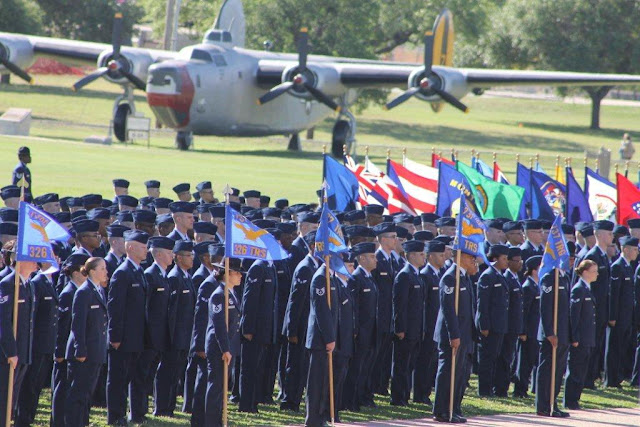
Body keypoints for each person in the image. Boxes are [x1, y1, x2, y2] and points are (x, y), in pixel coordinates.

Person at [106, 230, 149, 425]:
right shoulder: (122, 273)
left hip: (137, 336)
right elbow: (115, 307)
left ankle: (133, 413)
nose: (146, 250)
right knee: (118, 378)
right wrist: (115, 336)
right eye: (142, 247)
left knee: (132, 376)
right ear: (130, 247)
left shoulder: (138, 271)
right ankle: (116, 416)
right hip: (123, 337)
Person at [433, 249, 478, 423]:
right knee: (448, 373)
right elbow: (448, 309)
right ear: (460, 257)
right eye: (471, 257)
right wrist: (454, 334)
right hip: (452, 335)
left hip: (464, 334)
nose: (474, 261)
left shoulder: (464, 277)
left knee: (460, 374)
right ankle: (442, 410)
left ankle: (454, 408)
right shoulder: (450, 278)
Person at [65, 257, 109, 427]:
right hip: (84, 353)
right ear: (92, 271)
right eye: (102, 268)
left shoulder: (99, 290)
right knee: (77, 395)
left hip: (96, 350)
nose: (106, 272)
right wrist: (80, 350)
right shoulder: (84, 292)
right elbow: (78, 324)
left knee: (86, 395)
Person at [16, 259, 60, 426]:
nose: (57, 259)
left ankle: (28, 419)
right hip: (37, 344)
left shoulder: (49, 281)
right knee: (30, 386)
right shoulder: (38, 282)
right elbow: (33, 317)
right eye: (52, 256)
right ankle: (23, 421)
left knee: (37, 386)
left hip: (47, 343)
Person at [281, 233, 318, 412]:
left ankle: (295, 399)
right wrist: (292, 330)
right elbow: (296, 301)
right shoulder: (305, 267)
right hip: (299, 326)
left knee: (303, 365)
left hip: (308, 326)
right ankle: (289, 401)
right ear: (312, 246)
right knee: (295, 365)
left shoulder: (316, 266)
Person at [157, 241, 196, 416]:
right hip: (175, 336)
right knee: (168, 371)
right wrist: (170, 337)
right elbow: (171, 311)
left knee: (176, 373)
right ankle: (162, 407)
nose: (192, 258)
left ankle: (169, 407)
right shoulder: (174, 277)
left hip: (185, 335)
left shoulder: (186, 276)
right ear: (178, 258)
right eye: (188, 255)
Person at [51, 253, 90, 427]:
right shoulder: (69, 293)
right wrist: (59, 352)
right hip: (66, 352)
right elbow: (62, 326)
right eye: (84, 270)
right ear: (75, 272)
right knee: (62, 389)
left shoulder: (81, 291)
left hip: (73, 349)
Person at [0, 244, 37, 425]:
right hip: (10, 354)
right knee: (4, 401)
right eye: (31, 258)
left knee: (12, 400)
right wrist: (11, 351)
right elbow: (3, 321)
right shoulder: (8, 284)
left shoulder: (28, 284)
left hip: (23, 351)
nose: (36, 262)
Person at [205, 257, 243, 427]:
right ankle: (211, 422)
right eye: (237, 272)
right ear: (227, 273)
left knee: (222, 388)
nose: (240, 276)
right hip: (219, 348)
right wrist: (225, 349)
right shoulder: (219, 295)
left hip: (228, 346)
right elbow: (219, 324)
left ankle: (218, 421)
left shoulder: (231, 292)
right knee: (216, 387)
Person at [191, 244, 224, 426]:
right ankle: (198, 420)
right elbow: (201, 317)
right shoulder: (209, 284)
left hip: (218, 343)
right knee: (204, 383)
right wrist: (199, 345)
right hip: (206, 343)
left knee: (215, 384)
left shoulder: (221, 284)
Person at [343, 242, 378, 411]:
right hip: (360, 332)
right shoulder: (356, 278)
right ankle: (350, 401)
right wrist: (355, 330)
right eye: (372, 256)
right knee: (356, 367)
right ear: (362, 259)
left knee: (365, 367)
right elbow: (354, 307)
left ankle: (359, 398)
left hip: (370, 331)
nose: (375, 259)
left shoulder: (368, 277)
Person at [390, 240, 426, 406]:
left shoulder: (416, 274)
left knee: (409, 364)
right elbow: (399, 304)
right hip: (406, 330)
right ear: (411, 256)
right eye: (420, 254)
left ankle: (405, 395)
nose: (424, 257)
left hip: (415, 328)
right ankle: (398, 397)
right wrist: (400, 328)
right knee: (401, 365)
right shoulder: (404, 275)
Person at [535, 259, 571, 418]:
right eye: (569, 258)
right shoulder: (550, 277)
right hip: (551, 335)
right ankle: (543, 405)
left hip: (562, 333)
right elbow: (545, 307)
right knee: (547, 370)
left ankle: (552, 403)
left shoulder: (564, 277)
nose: (571, 261)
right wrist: (549, 332)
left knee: (557, 372)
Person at [475, 244, 510, 397]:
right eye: (504, 258)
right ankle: (484, 389)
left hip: (499, 324)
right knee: (487, 358)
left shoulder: (500, 275)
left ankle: (491, 388)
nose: (507, 261)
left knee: (495, 357)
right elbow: (482, 303)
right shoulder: (487, 276)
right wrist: (484, 325)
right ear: (495, 259)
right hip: (490, 326)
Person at [414, 240, 445, 406]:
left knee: (432, 361)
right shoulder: (425, 275)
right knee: (424, 361)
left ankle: (426, 392)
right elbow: (423, 304)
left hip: (437, 326)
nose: (444, 258)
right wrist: (424, 327)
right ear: (431, 256)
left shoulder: (439, 274)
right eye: (440, 255)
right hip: (428, 326)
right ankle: (420, 394)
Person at [564, 259, 598, 410]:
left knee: (582, 369)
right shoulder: (578, 289)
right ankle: (570, 400)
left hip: (587, 336)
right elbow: (574, 315)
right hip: (580, 338)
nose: (596, 274)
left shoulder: (587, 288)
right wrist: (574, 337)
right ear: (584, 272)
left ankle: (575, 399)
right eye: (593, 271)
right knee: (575, 370)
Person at [605, 236, 638, 387]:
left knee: (622, 347)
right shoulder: (618, 266)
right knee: (614, 347)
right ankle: (611, 379)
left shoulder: (628, 266)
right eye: (634, 249)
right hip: (618, 316)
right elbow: (614, 294)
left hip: (627, 316)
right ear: (625, 249)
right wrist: (612, 316)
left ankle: (618, 376)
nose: (637, 252)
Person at [584, 220, 613, 389]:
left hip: (602, 308)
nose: (612, 236)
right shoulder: (593, 256)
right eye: (609, 233)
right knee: (590, 345)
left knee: (597, 345)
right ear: (599, 235)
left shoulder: (602, 256)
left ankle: (592, 376)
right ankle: (587, 378)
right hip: (593, 308)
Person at [371, 222, 397, 396]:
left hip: (390, 316)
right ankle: (373, 386)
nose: (396, 240)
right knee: (377, 354)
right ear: (382, 239)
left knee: (386, 354)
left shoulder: (392, 259)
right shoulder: (376, 259)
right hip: (379, 315)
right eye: (392, 237)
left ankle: (381, 385)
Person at [495, 247, 523, 397]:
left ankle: (503, 387)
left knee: (509, 357)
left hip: (514, 325)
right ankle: (500, 388)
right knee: (504, 358)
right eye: (516, 261)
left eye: (521, 261)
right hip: (508, 324)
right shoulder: (506, 278)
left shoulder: (515, 278)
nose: (520, 263)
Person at [513, 255, 541, 398]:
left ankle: (532, 388)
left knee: (534, 361)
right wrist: (522, 331)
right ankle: (520, 390)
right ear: (534, 270)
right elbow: (523, 311)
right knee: (524, 363)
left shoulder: (537, 286)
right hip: (529, 331)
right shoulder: (528, 287)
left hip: (536, 331)